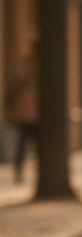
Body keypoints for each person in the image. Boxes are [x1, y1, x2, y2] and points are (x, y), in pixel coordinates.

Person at [3, 36, 39, 184]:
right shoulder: (28, 64)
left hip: (30, 113)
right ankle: (20, 170)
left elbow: (15, 85)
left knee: (25, 143)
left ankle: (22, 170)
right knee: (25, 143)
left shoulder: (28, 65)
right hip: (29, 113)